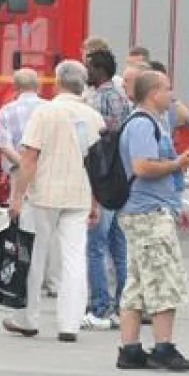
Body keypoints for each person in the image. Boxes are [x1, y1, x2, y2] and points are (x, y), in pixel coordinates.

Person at [3, 60, 104, 342]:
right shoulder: (93, 117)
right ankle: (69, 324)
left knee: (34, 256)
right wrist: (95, 201)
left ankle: (27, 318)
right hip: (79, 194)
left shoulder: (44, 112)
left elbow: (29, 157)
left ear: (57, 81)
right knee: (74, 258)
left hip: (44, 193)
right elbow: (97, 165)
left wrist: (17, 196)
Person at [114, 70, 189, 371]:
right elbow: (142, 165)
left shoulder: (148, 122)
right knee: (164, 279)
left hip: (143, 209)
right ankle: (164, 347)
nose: (171, 95)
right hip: (148, 212)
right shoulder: (143, 125)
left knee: (136, 281)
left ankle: (131, 348)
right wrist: (177, 164)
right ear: (153, 93)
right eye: (167, 89)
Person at [84, 49, 131, 331]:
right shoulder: (122, 97)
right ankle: (123, 305)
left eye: (89, 67)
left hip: (102, 180)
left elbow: (94, 145)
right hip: (121, 178)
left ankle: (100, 307)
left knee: (96, 247)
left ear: (99, 69)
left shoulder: (97, 100)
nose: (87, 72)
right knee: (119, 248)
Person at [0, 69, 55, 295]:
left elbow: (4, 144)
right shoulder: (50, 109)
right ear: (38, 86)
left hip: (19, 172)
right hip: (46, 172)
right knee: (48, 226)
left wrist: (23, 164)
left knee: (23, 226)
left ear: (16, 87)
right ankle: (50, 279)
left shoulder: (7, 111)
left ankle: (25, 275)